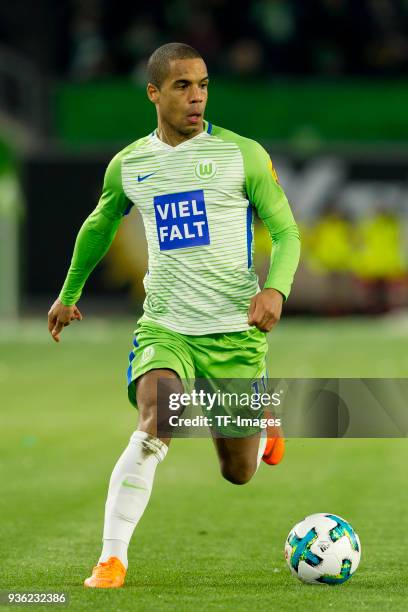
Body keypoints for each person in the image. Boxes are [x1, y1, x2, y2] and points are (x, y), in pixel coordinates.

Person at [47, 42, 300, 589]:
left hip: (235, 336)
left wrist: (276, 289)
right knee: (155, 422)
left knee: (238, 473)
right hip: (167, 327)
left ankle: (259, 426)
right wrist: (68, 295)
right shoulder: (131, 163)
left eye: (204, 84)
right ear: (154, 93)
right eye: (183, 86)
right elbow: (99, 223)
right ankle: (112, 558)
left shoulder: (243, 155)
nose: (197, 97)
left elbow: (286, 231)